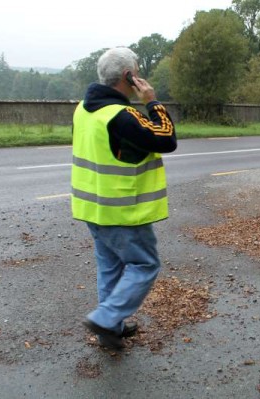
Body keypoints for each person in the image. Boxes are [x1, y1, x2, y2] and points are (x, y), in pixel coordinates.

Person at [71, 47, 177, 349]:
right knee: (144, 265)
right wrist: (152, 102)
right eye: (137, 71)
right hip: (122, 211)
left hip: (93, 208)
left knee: (110, 268)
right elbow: (166, 138)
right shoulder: (122, 115)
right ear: (129, 76)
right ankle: (106, 318)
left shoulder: (84, 108)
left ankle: (111, 329)